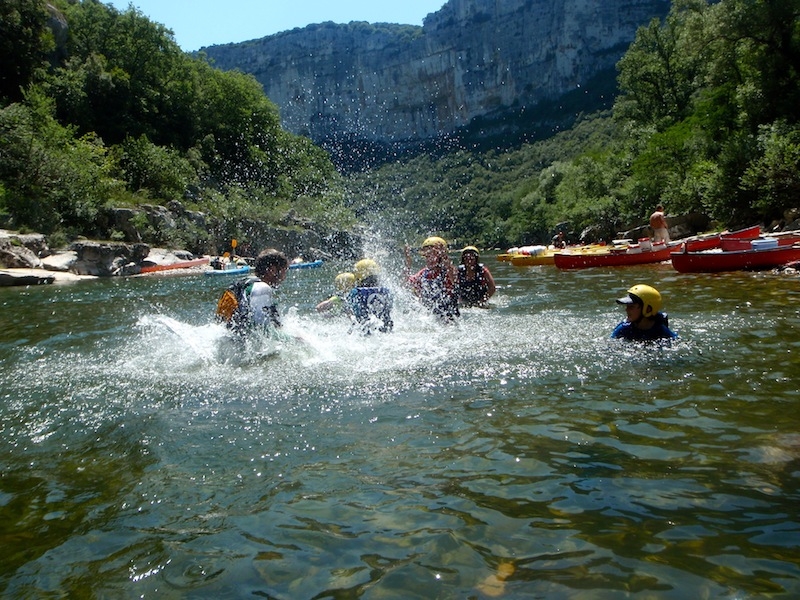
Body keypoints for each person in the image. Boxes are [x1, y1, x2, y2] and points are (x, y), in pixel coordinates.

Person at [222, 248, 289, 333]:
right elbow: (260, 329)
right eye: (284, 271)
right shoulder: (262, 289)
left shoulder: (244, 283)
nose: (284, 277)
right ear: (272, 270)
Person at [406, 236, 460, 321]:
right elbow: (406, 284)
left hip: (449, 317)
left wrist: (445, 258)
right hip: (431, 317)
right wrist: (408, 264)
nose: (429, 260)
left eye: (433, 256)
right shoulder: (423, 273)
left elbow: (455, 280)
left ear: (441, 257)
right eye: (427, 256)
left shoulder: (447, 271)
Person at [611, 284, 677, 341]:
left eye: (631, 307)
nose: (626, 310)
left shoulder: (661, 331)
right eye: (627, 306)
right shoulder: (624, 329)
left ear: (647, 309)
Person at [346, 259, 393, 333]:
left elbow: (355, 312)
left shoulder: (356, 292)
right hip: (386, 328)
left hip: (365, 329)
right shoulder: (386, 291)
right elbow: (389, 309)